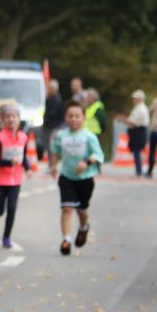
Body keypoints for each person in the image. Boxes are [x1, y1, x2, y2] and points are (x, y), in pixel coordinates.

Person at [49, 100, 104, 256]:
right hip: (66, 176)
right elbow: (56, 151)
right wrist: (54, 166)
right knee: (67, 208)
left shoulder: (89, 136)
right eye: (70, 116)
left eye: (77, 116)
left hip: (85, 179)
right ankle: (66, 240)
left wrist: (86, 163)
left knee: (81, 210)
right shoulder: (61, 135)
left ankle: (83, 227)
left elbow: (99, 155)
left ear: (83, 118)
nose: (73, 119)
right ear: (65, 118)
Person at [0, 100, 31, 249]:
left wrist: (27, 168)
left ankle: (6, 237)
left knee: (12, 208)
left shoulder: (23, 137)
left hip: (15, 180)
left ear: (19, 119)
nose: (11, 119)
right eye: (8, 117)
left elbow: (23, 156)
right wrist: (8, 162)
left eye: (14, 116)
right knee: (0, 209)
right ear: (3, 120)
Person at [116, 89, 149, 177]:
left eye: (135, 98)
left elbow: (134, 123)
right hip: (137, 131)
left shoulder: (141, 109)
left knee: (137, 151)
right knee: (136, 151)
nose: (133, 100)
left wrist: (123, 119)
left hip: (138, 131)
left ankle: (139, 171)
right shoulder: (138, 108)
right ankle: (139, 170)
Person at [40, 78, 64, 161]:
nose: (47, 89)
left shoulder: (56, 99)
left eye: (48, 88)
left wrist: (45, 120)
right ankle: (51, 162)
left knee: (51, 146)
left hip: (53, 126)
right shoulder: (52, 98)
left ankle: (52, 163)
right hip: (51, 125)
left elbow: (52, 113)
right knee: (49, 146)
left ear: (53, 89)